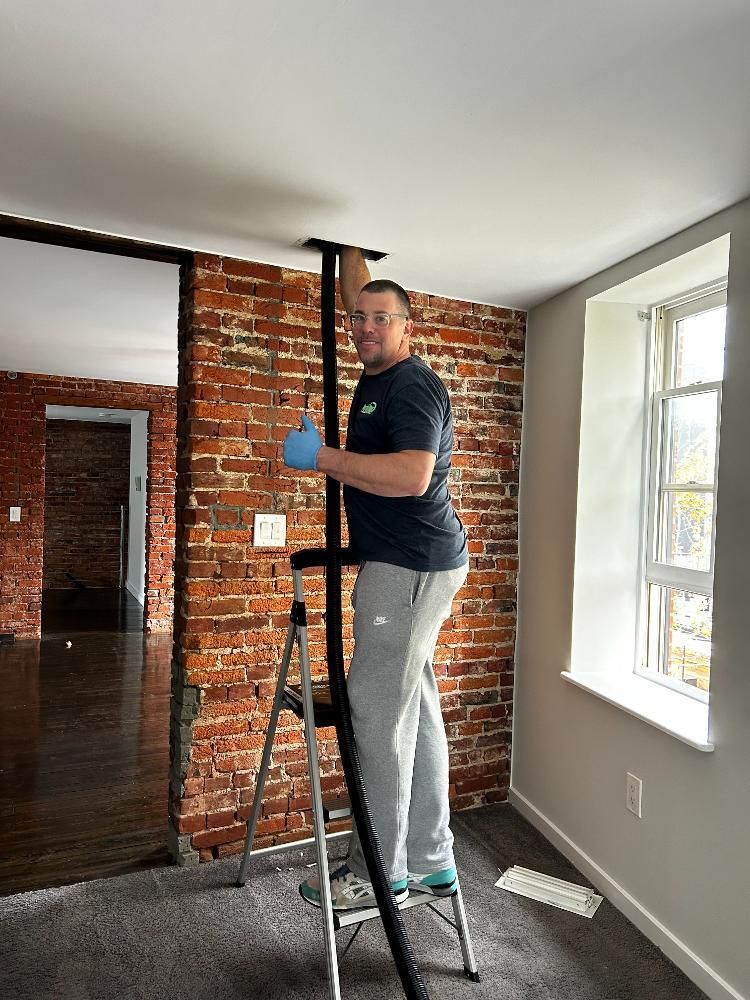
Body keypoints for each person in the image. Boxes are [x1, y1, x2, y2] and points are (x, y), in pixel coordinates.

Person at [282, 246, 468, 911]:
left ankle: (380, 872)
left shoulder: (411, 384)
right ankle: (431, 857)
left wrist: (321, 459)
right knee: (411, 705)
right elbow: (364, 294)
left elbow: (414, 475)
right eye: (357, 318)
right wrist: (346, 251)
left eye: (379, 320)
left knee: (376, 713)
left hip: (408, 570)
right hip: (415, 565)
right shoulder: (379, 366)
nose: (364, 328)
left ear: (407, 326)